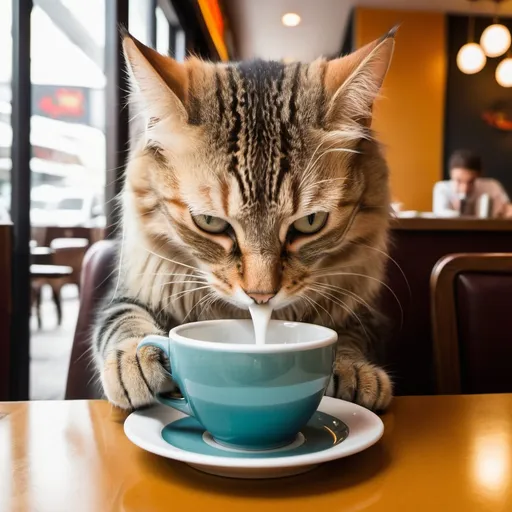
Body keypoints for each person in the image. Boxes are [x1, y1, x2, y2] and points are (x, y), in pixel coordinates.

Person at [433, 149, 512, 218]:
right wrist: (458, 214)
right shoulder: (442, 188)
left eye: (471, 182)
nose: (465, 189)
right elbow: (440, 214)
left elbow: (508, 209)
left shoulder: (492, 186)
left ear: (479, 176)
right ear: (451, 174)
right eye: (458, 181)